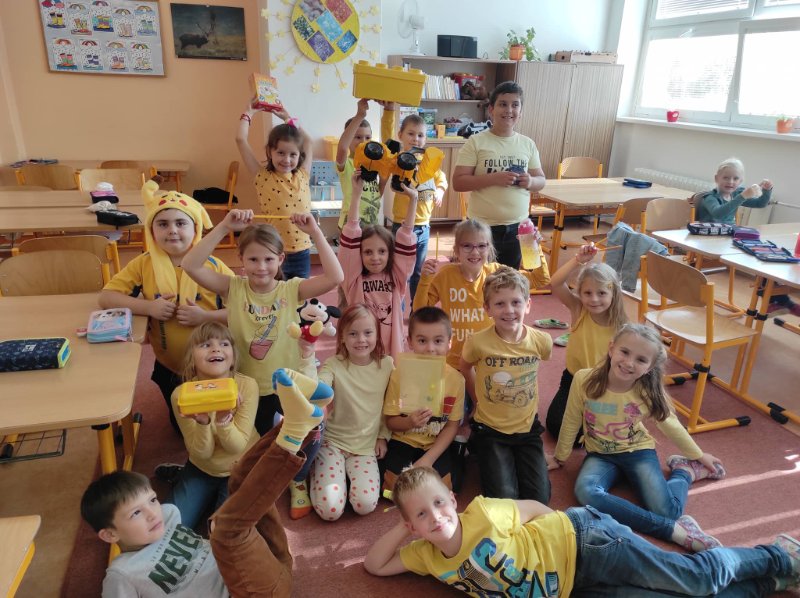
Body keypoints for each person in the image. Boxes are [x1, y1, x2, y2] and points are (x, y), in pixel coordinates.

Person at [81, 368, 333, 598]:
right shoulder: (123, 573)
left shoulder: (167, 516)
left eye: (152, 500)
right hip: (248, 592)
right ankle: (294, 431)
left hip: (268, 563)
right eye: (136, 513)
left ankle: (299, 421)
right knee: (226, 531)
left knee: (240, 478)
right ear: (110, 534)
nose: (151, 513)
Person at [364, 466, 800, 597]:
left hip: (588, 542)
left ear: (453, 498)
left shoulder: (483, 512)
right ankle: (771, 582)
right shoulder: (425, 556)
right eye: (421, 515)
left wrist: (564, 536)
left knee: (695, 580)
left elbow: (538, 510)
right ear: (411, 525)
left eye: (439, 503)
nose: (436, 517)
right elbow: (374, 565)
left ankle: (779, 554)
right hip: (575, 590)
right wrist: (402, 526)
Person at [181, 208, 343, 520]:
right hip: (248, 387)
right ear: (241, 259)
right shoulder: (233, 288)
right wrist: (224, 226)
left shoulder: (291, 289)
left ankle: (297, 479)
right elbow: (190, 264)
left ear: (281, 260)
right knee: (254, 447)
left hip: (286, 385)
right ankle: (259, 480)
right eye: (253, 259)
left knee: (302, 434)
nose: (261, 267)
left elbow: (335, 277)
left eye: (269, 259)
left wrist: (315, 233)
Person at [553, 323, 726, 552]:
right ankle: (671, 531)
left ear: (650, 367)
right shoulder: (584, 379)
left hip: (637, 451)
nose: (629, 363)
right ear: (611, 348)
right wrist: (560, 456)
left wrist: (698, 455)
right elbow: (571, 418)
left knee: (667, 511)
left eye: (641, 360)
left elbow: (670, 424)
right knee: (586, 492)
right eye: (624, 352)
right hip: (600, 455)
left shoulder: (646, 391)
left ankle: (684, 471)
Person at [99, 181, 232, 433]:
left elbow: (245, 310)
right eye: (162, 224)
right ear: (151, 230)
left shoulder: (214, 267)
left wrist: (205, 317)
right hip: (170, 365)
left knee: (221, 423)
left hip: (216, 365)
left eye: (181, 223)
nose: (172, 230)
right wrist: (148, 307)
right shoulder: (143, 264)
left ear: (196, 228)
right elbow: (107, 297)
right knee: (183, 428)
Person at [459, 267, 553, 502]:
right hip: (491, 429)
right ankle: (478, 444)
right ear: (487, 309)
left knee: (539, 499)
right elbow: (465, 367)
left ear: (528, 305)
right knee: (504, 498)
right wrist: (477, 400)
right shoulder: (477, 342)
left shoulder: (542, 341)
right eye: (500, 304)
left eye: (516, 302)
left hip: (527, 429)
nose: (509, 310)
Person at [413, 218, 550, 375]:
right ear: (456, 250)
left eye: (481, 246)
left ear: (489, 248)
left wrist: (534, 248)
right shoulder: (445, 275)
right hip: (455, 362)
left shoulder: (497, 273)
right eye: (467, 246)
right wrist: (425, 280)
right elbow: (420, 310)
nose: (475, 252)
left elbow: (540, 279)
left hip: (489, 360)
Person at [167, 322, 258, 530]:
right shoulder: (181, 395)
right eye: (205, 345)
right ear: (192, 359)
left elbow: (236, 447)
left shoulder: (247, 386)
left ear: (233, 358)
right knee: (170, 529)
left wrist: (223, 421)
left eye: (224, 344)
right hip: (202, 467)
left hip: (242, 467)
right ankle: (188, 481)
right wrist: (203, 422)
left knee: (223, 533)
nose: (216, 349)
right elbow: (202, 454)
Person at [310, 304, 393, 521]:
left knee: (365, 505)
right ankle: (325, 475)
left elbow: (390, 404)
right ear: (342, 338)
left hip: (365, 448)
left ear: (377, 334)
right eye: (353, 334)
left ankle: (342, 481)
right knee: (330, 511)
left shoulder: (387, 365)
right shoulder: (333, 364)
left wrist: (383, 436)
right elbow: (320, 384)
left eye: (368, 333)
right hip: (333, 443)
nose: (361, 340)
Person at [452, 81, 546, 269]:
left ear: (521, 111)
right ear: (491, 110)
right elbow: (458, 182)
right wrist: (494, 178)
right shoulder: (476, 142)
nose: (509, 110)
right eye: (503, 104)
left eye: (515, 105)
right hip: (481, 228)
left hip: (519, 228)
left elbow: (541, 180)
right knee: (478, 277)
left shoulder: (527, 144)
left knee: (509, 279)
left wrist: (530, 181)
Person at [544, 245, 627, 441]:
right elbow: (555, 283)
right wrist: (578, 260)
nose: (594, 299)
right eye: (587, 293)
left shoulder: (622, 326)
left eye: (601, 293)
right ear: (580, 293)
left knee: (611, 428)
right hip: (573, 381)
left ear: (613, 293)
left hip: (604, 385)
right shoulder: (579, 310)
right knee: (556, 426)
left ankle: (591, 426)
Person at [695, 158, 795, 316]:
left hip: (730, 238)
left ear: (740, 181)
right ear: (716, 178)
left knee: (763, 252)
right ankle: (777, 300)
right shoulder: (710, 197)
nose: (730, 182)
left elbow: (760, 204)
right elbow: (718, 213)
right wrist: (742, 197)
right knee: (758, 252)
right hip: (710, 240)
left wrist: (767, 190)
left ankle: (776, 300)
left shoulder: (735, 194)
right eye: (726, 177)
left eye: (735, 178)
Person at [382, 307, 465, 495]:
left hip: (435, 444)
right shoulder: (399, 375)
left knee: (446, 486)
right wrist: (409, 422)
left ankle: (458, 455)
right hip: (404, 441)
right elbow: (390, 421)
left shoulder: (456, 380)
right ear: (410, 341)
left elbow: (452, 426)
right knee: (395, 487)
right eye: (422, 341)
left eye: (438, 341)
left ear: (449, 343)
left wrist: (428, 459)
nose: (430, 348)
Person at [339, 173, 417, 358]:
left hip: (390, 351)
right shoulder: (353, 279)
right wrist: (356, 194)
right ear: (359, 255)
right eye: (368, 252)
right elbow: (351, 234)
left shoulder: (396, 278)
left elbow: (406, 237)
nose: (375, 258)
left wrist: (413, 200)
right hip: (362, 351)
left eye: (382, 251)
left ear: (390, 254)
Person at [237, 102, 313, 280]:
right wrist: (248, 113)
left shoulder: (303, 174)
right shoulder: (262, 176)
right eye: (280, 153)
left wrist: (287, 117)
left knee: (301, 295)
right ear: (270, 152)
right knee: (275, 294)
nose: (287, 159)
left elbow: (308, 141)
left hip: (302, 253)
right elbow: (240, 140)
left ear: (299, 156)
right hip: (274, 252)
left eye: (293, 154)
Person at [389, 113, 448, 300]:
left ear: (426, 139)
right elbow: (394, 185)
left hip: (424, 226)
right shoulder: (399, 160)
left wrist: (440, 191)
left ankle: (416, 307)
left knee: (418, 270)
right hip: (402, 224)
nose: (416, 139)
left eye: (420, 135)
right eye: (411, 134)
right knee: (400, 270)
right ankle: (397, 306)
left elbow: (441, 179)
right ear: (400, 135)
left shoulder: (429, 161)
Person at [336, 98, 397, 229]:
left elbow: (388, 147)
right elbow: (342, 148)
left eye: (368, 138)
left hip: (371, 225)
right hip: (350, 225)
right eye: (358, 137)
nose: (363, 142)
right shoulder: (346, 164)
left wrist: (389, 110)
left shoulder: (374, 164)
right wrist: (360, 115)